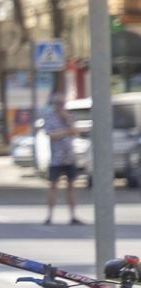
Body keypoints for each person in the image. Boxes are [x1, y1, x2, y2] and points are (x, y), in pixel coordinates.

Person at [41, 90, 83, 226]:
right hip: (56, 159)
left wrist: (66, 120)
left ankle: (73, 215)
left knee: (71, 186)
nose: (60, 106)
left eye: (62, 103)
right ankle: (49, 215)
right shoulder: (49, 117)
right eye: (58, 103)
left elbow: (76, 131)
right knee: (53, 186)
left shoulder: (69, 116)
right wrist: (66, 132)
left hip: (69, 157)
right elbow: (50, 134)